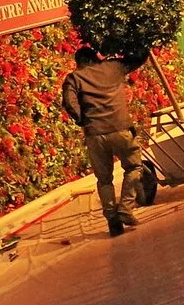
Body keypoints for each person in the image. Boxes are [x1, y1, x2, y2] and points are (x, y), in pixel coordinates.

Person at [61, 45, 145, 236]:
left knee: (104, 179)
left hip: (95, 134)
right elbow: (138, 57)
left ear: (81, 62)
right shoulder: (114, 67)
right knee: (133, 168)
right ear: (94, 58)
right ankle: (125, 208)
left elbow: (69, 102)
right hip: (121, 128)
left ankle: (113, 220)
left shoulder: (74, 78)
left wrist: (82, 119)